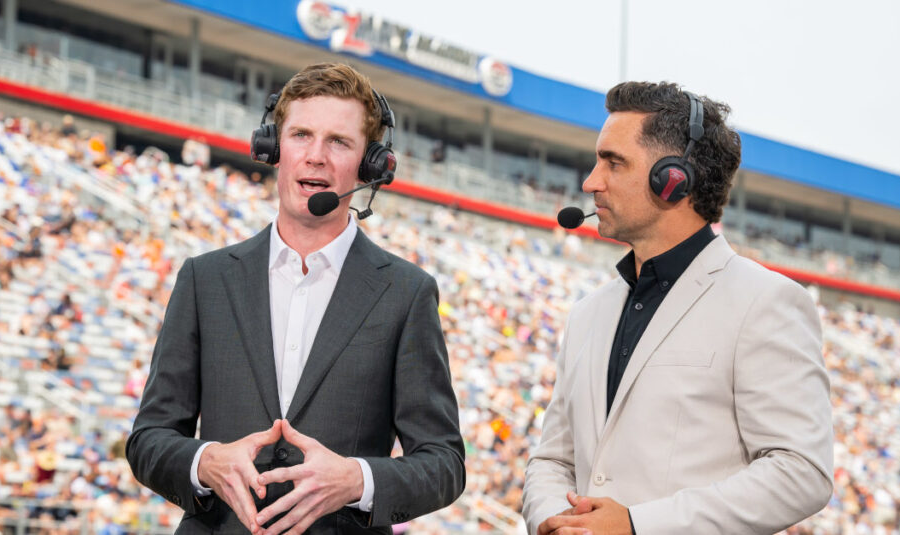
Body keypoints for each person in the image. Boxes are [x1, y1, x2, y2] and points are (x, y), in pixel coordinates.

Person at [127, 63, 465, 534]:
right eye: (301, 135)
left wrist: (357, 479)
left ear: (371, 165)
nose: (316, 157)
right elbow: (148, 440)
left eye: (339, 142)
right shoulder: (204, 279)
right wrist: (206, 462)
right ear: (272, 148)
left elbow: (445, 463)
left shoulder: (407, 293)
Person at [521, 82, 833, 534]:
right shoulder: (587, 312)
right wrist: (553, 519)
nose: (590, 182)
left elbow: (802, 472)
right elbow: (552, 458)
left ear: (673, 178)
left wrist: (637, 526)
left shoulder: (767, 301)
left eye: (613, 162)